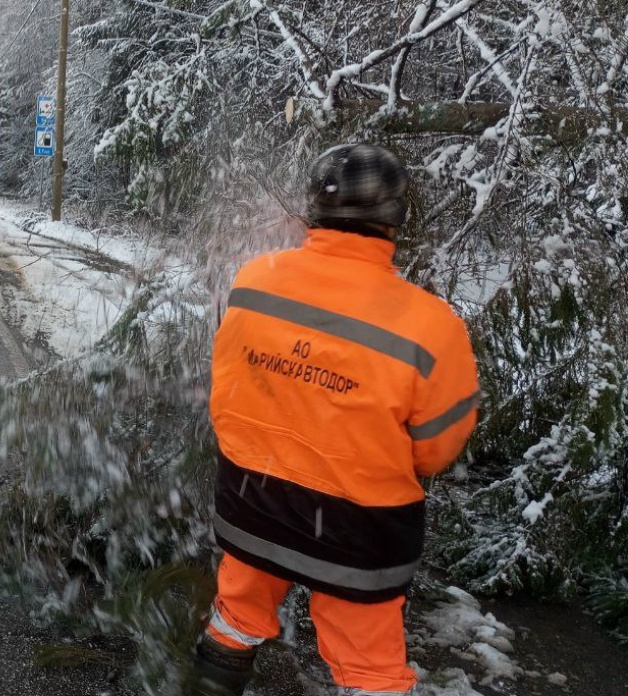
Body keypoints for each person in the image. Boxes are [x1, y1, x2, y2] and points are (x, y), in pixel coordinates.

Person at [191, 144, 480, 696]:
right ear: (394, 218)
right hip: (357, 530)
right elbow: (437, 451)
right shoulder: (431, 325)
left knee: (237, 614)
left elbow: (227, 392)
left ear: (312, 210)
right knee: (371, 668)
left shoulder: (255, 280)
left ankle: (209, 683)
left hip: (253, 505)